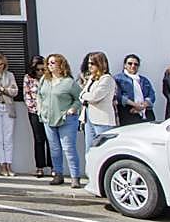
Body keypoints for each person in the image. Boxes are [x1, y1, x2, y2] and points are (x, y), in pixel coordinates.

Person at [38, 53, 83, 188]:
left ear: (61, 64)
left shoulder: (69, 82)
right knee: (54, 149)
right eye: (48, 63)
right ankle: (58, 174)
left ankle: (75, 177)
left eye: (53, 63)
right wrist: (40, 109)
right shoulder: (44, 80)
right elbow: (39, 95)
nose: (50, 65)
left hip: (66, 119)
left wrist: (73, 109)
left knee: (69, 148)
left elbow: (79, 98)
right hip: (48, 119)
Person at [79, 51, 117, 149]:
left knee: (103, 148)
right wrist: (84, 96)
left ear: (100, 64)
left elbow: (94, 97)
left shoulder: (107, 79)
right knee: (89, 148)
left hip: (102, 119)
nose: (90, 66)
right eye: (89, 63)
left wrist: (84, 95)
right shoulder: (92, 78)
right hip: (88, 117)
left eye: (92, 63)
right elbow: (81, 95)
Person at [22, 55, 52, 177]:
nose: (40, 72)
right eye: (37, 70)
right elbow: (27, 95)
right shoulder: (28, 78)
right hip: (34, 112)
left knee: (51, 139)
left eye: (42, 69)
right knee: (39, 139)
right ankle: (39, 167)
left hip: (49, 112)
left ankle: (53, 166)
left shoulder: (49, 78)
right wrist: (36, 109)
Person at [115, 54, 157, 126]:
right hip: (128, 112)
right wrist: (135, 105)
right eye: (130, 63)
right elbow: (118, 96)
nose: (133, 66)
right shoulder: (118, 79)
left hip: (146, 113)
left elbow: (152, 95)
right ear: (125, 65)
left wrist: (143, 106)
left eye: (136, 64)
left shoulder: (144, 80)